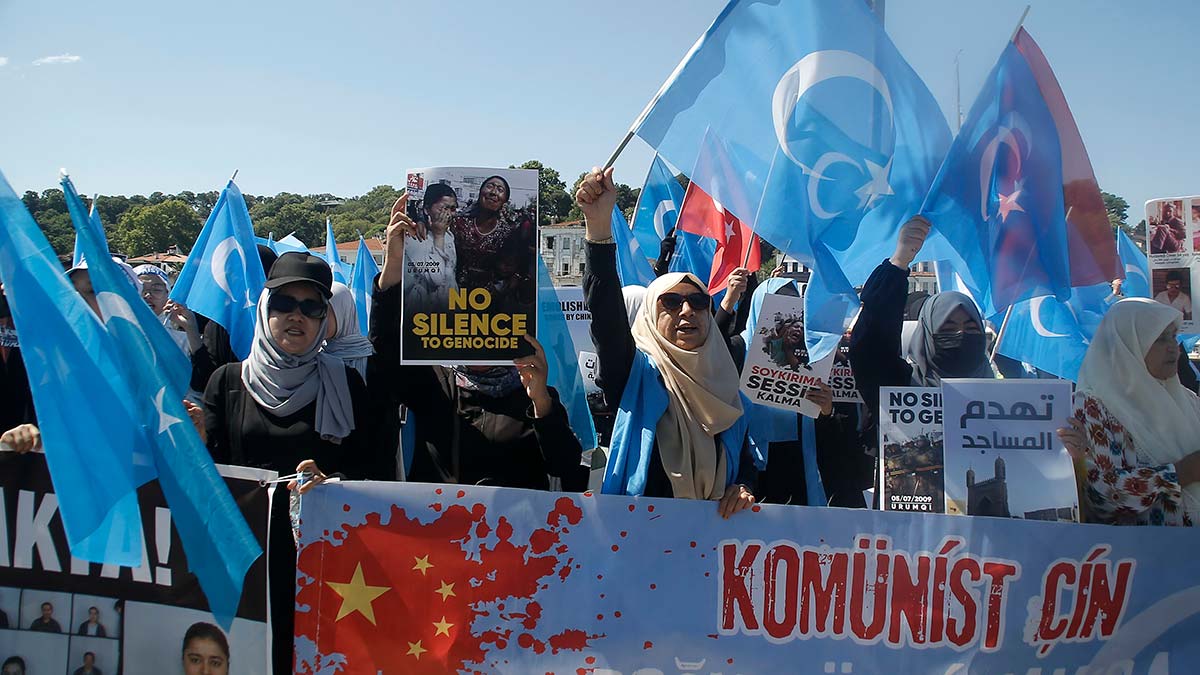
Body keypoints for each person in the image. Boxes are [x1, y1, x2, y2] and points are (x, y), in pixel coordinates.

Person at [202, 252, 392, 672]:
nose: (297, 316)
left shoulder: (347, 383)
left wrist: (334, 483)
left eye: (311, 307)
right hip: (248, 565)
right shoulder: (228, 382)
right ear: (266, 310)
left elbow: (374, 472)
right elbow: (211, 475)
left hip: (325, 567)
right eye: (285, 304)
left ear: (325, 318)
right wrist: (192, 444)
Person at [576, 167, 756, 517]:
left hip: (713, 550)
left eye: (699, 302)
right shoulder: (636, 374)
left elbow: (744, 459)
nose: (687, 311)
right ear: (649, 316)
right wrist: (598, 229)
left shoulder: (724, 382)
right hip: (640, 545)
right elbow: (607, 318)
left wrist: (745, 487)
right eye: (670, 302)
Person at [371, 197, 585, 489]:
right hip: (441, 528)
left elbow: (565, 465)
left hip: (517, 531)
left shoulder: (532, 391)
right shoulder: (434, 383)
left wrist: (541, 402)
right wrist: (393, 265)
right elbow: (383, 355)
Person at [1059, 299, 1200, 526]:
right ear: (1128, 344)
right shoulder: (1093, 407)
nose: (1174, 346)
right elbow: (1100, 497)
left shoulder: (1187, 400)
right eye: (1160, 338)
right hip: (1140, 555)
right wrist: (1180, 474)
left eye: (1173, 336)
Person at [849, 216, 995, 417]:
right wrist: (899, 262)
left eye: (971, 328)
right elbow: (870, 346)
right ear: (928, 335)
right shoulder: (898, 387)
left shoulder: (1012, 400)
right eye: (948, 328)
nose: (961, 334)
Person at [190, 244, 278, 392]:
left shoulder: (283, 321)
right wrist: (191, 330)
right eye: (236, 273)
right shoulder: (220, 323)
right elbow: (203, 381)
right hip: (230, 410)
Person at [450, 175, 535, 291]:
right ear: (480, 192)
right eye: (490, 187)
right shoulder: (457, 223)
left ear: (504, 201)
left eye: (500, 190)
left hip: (490, 296)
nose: (494, 192)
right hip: (452, 291)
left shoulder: (509, 233)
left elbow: (519, 261)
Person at [403, 183, 459, 313]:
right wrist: (438, 236)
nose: (448, 214)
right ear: (427, 209)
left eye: (452, 209)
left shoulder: (449, 235)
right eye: (443, 208)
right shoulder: (415, 237)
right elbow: (436, 279)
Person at [134, 264, 200, 356]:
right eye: (141, 289)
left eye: (156, 290)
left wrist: (191, 329)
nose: (148, 295)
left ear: (167, 295)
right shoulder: (117, 335)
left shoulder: (184, 341)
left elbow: (203, 366)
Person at [323, 283, 375, 382]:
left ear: (342, 312)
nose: (319, 319)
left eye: (325, 311)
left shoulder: (373, 360)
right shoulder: (314, 357)